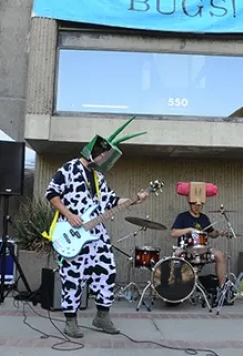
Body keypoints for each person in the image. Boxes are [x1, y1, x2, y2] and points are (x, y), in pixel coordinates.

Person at [43, 117, 148, 339]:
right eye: (102, 155)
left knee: (107, 271)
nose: (104, 159)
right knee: (72, 276)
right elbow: (51, 194)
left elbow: (111, 200)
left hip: (97, 234)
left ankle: (102, 315)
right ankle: (70, 321)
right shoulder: (69, 168)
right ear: (93, 152)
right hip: (72, 231)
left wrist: (134, 200)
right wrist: (70, 215)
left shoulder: (99, 177)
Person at [171, 200, 227, 288]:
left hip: (203, 249)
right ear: (190, 204)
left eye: (200, 206)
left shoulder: (204, 218)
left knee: (220, 255)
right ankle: (176, 289)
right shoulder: (182, 217)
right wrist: (189, 229)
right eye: (195, 205)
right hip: (185, 249)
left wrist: (218, 232)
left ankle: (222, 289)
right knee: (175, 257)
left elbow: (212, 234)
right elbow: (173, 233)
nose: (197, 207)